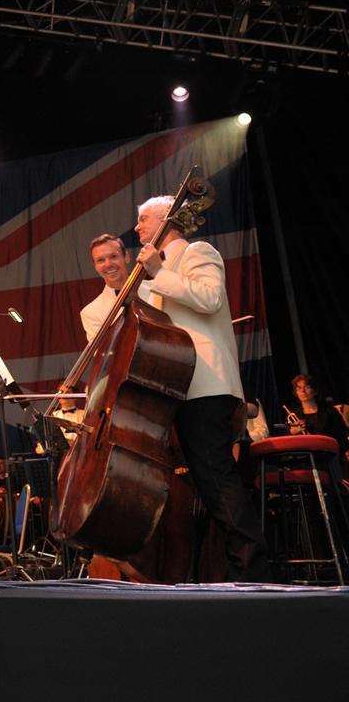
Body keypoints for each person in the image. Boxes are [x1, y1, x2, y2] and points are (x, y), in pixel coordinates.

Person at [134, 194, 269, 580]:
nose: (138, 227)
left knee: (216, 478)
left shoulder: (197, 251)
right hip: (178, 388)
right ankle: (224, 570)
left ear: (167, 222)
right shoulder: (155, 274)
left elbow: (210, 299)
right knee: (205, 485)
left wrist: (158, 272)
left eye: (144, 219)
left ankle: (255, 572)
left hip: (206, 384)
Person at [81, 233, 130, 343]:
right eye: (100, 260)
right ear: (95, 267)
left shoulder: (155, 289)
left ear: (126, 257)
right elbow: (105, 356)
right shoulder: (91, 313)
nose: (108, 264)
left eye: (113, 256)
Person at [285, 373, 349, 454]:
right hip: (305, 456)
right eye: (299, 388)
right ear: (296, 392)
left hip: (329, 454)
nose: (303, 391)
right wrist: (293, 432)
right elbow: (289, 442)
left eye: (306, 387)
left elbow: (342, 437)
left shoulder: (329, 411)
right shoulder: (294, 414)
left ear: (314, 391)